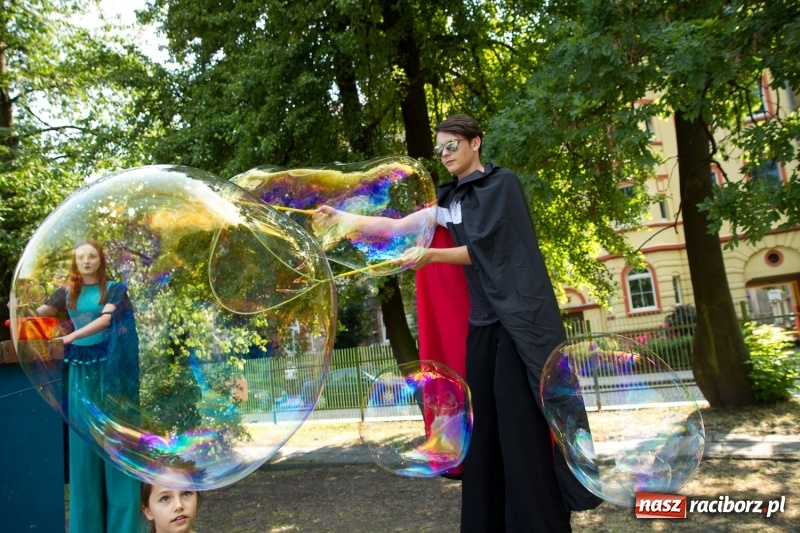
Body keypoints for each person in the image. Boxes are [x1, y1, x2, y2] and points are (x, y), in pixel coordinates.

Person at [314, 114, 602, 531]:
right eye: (440, 149)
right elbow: (399, 227)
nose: (445, 154)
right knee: (482, 435)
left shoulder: (503, 185)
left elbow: (489, 249)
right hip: (481, 330)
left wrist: (432, 256)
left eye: (452, 145)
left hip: (518, 329)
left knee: (520, 432)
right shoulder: (451, 198)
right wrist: (342, 219)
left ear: (476, 143)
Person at [36, 239, 142, 533]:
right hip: (79, 373)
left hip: (110, 374)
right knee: (83, 454)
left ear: (100, 259)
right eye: (80, 257)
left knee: (115, 446)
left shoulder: (116, 288)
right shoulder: (67, 292)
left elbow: (107, 320)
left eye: (91, 256)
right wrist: (20, 304)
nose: (85, 261)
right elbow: (39, 312)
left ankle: (124, 528)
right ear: (75, 261)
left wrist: (67, 339)